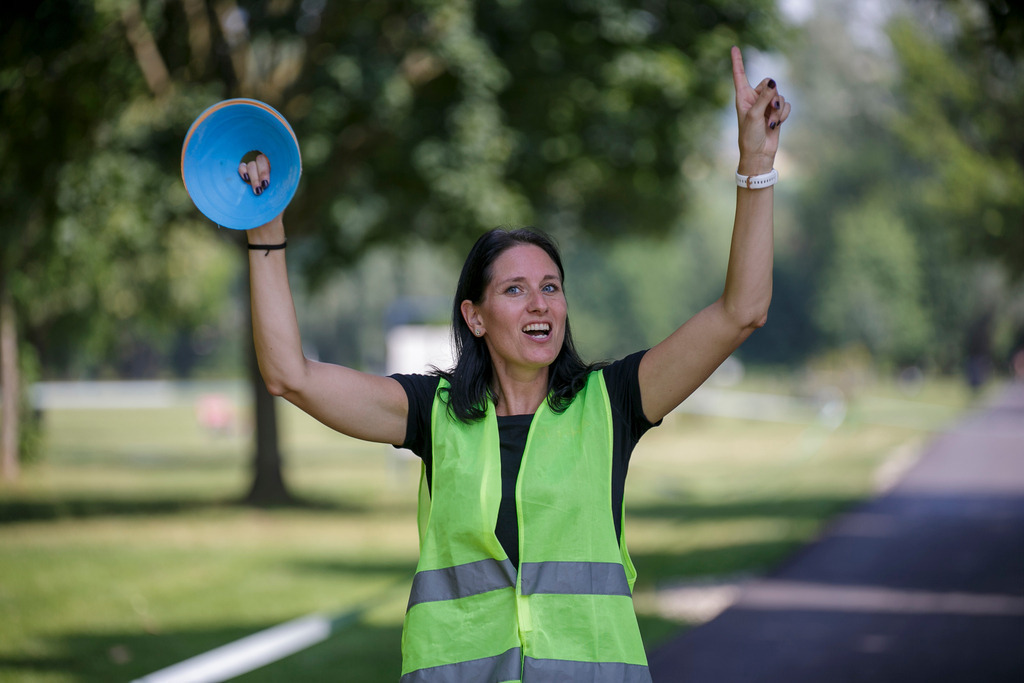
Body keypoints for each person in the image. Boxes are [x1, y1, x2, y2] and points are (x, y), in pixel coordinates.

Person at [237, 46, 789, 683]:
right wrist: (263, 224)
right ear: (475, 316)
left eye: (551, 287)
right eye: (515, 289)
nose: (540, 304)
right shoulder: (433, 415)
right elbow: (289, 375)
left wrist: (756, 164)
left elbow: (741, 310)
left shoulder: (611, 402)